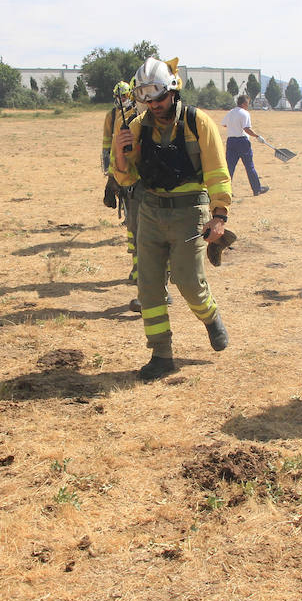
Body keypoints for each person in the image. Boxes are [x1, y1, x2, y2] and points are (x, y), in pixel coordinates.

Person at [111, 57, 232, 380]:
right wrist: (120, 152)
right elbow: (125, 177)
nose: (154, 106)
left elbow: (218, 173)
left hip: (189, 212)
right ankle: (161, 354)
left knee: (188, 281)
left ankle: (210, 317)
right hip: (149, 211)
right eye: (148, 101)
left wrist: (219, 215)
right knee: (149, 286)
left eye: (160, 98)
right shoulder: (137, 127)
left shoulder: (198, 123)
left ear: (174, 91)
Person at [102, 80, 141, 304]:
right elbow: (115, 152)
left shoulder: (169, 119)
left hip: (154, 187)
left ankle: (160, 277)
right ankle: (140, 270)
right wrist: (112, 179)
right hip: (131, 185)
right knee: (134, 228)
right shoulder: (120, 118)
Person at [220, 94, 269, 196]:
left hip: (231, 141)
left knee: (229, 167)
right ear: (243, 104)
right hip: (242, 142)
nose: (248, 105)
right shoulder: (245, 113)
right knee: (249, 166)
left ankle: (226, 191)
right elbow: (246, 129)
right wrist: (257, 136)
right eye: (247, 103)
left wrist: (233, 126)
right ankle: (257, 189)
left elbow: (224, 124)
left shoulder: (231, 112)